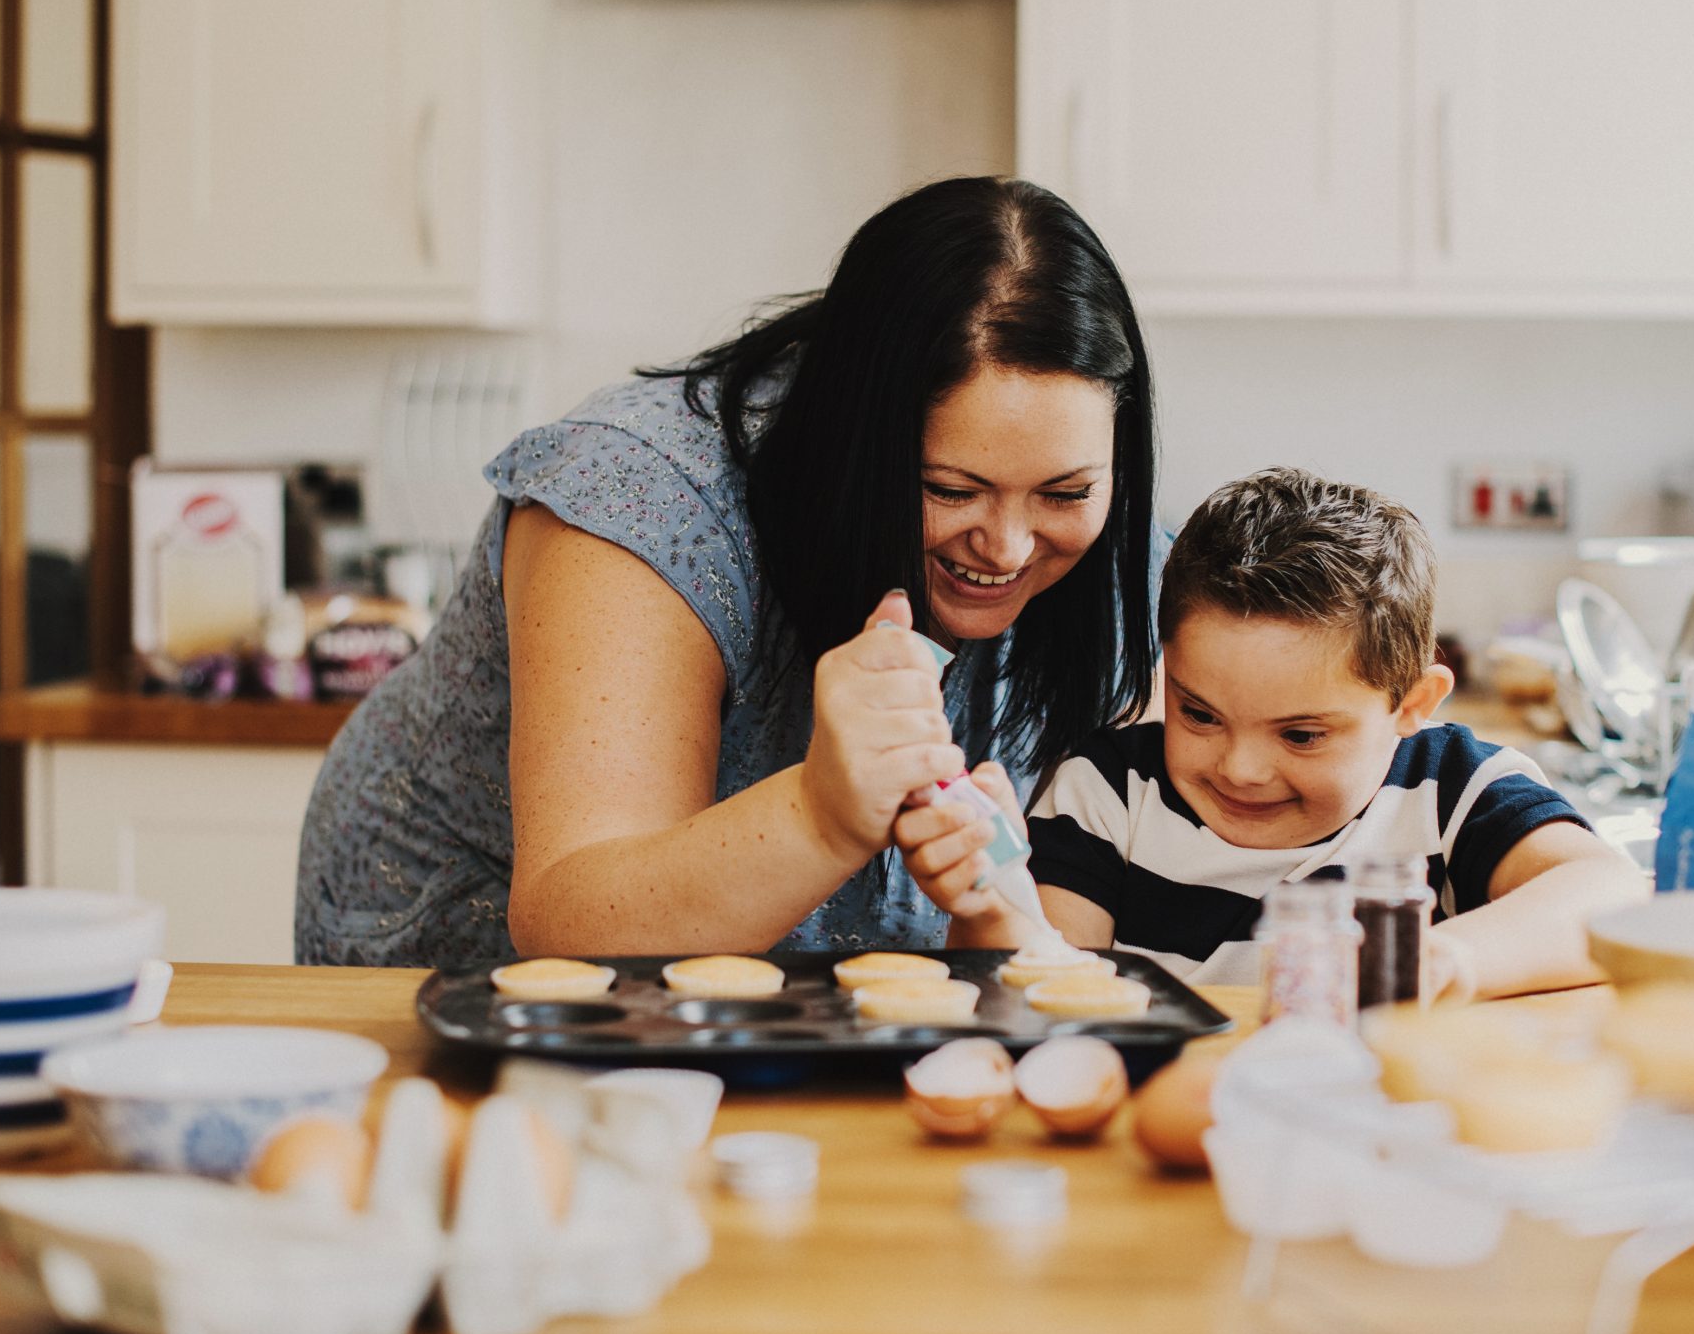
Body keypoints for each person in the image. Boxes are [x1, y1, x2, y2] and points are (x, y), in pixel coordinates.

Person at [295, 178, 1161, 966]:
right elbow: (575, 915)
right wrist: (821, 813)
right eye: (950, 489)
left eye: (1064, 491)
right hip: (462, 956)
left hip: (798, 1001)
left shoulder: (1121, 558)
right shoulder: (640, 496)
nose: (1009, 546)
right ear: (852, 442)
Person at [898, 467, 1647, 1002]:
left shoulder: (1450, 788)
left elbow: (1612, 896)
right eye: (1199, 714)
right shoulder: (1107, 793)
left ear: (1412, 702)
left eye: (1300, 734)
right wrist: (990, 906)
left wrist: (1444, 959)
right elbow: (1038, 987)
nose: (1242, 768)